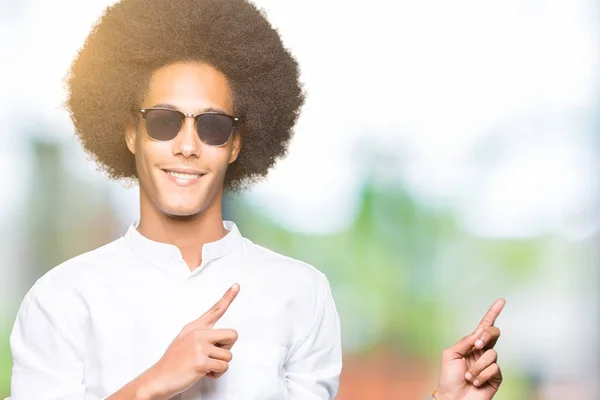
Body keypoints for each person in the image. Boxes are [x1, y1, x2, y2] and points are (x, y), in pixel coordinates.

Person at [7, 0, 504, 399]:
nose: (186, 145)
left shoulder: (301, 292)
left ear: (237, 144)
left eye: (212, 126)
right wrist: (152, 383)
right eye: (163, 121)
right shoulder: (61, 301)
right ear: (131, 133)